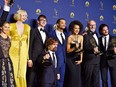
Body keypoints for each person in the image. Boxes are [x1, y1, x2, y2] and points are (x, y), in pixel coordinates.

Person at [8, 9, 32, 87]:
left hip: (23, 53)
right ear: (18, 15)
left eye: (26, 16)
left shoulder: (27, 27)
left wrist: (28, 58)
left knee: (22, 73)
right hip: (12, 52)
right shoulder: (10, 26)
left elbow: (28, 43)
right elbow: (6, 40)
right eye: (23, 15)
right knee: (13, 71)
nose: (25, 17)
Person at [27, 14, 48, 87]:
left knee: (40, 80)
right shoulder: (33, 31)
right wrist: (29, 59)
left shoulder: (46, 32)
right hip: (33, 59)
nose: (44, 21)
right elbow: (30, 45)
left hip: (42, 59)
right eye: (42, 20)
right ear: (38, 21)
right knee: (30, 80)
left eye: (45, 20)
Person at [82, 20, 100, 87]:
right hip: (89, 61)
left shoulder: (96, 34)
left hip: (97, 61)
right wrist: (92, 49)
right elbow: (85, 47)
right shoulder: (85, 35)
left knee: (96, 80)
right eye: (91, 25)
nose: (93, 26)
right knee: (88, 81)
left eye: (94, 25)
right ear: (88, 26)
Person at [66, 20, 83, 87]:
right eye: (75, 28)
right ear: (72, 28)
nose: (77, 30)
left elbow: (81, 49)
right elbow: (68, 50)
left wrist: (81, 59)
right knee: (72, 77)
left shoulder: (81, 37)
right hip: (70, 59)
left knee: (77, 77)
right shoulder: (69, 38)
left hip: (78, 59)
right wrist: (74, 48)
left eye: (78, 28)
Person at [50, 18, 67, 87]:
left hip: (63, 61)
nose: (64, 24)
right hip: (54, 60)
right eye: (62, 23)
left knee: (61, 81)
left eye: (65, 23)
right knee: (53, 80)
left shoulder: (66, 35)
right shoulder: (51, 34)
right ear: (57, 24)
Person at [0, 22, 15, 87]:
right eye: (5, 27)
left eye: (8, 27)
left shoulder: (10, 37)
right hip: (0, 60)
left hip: (8, 60)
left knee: (10, 79)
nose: (7, 29)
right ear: (1, 27)